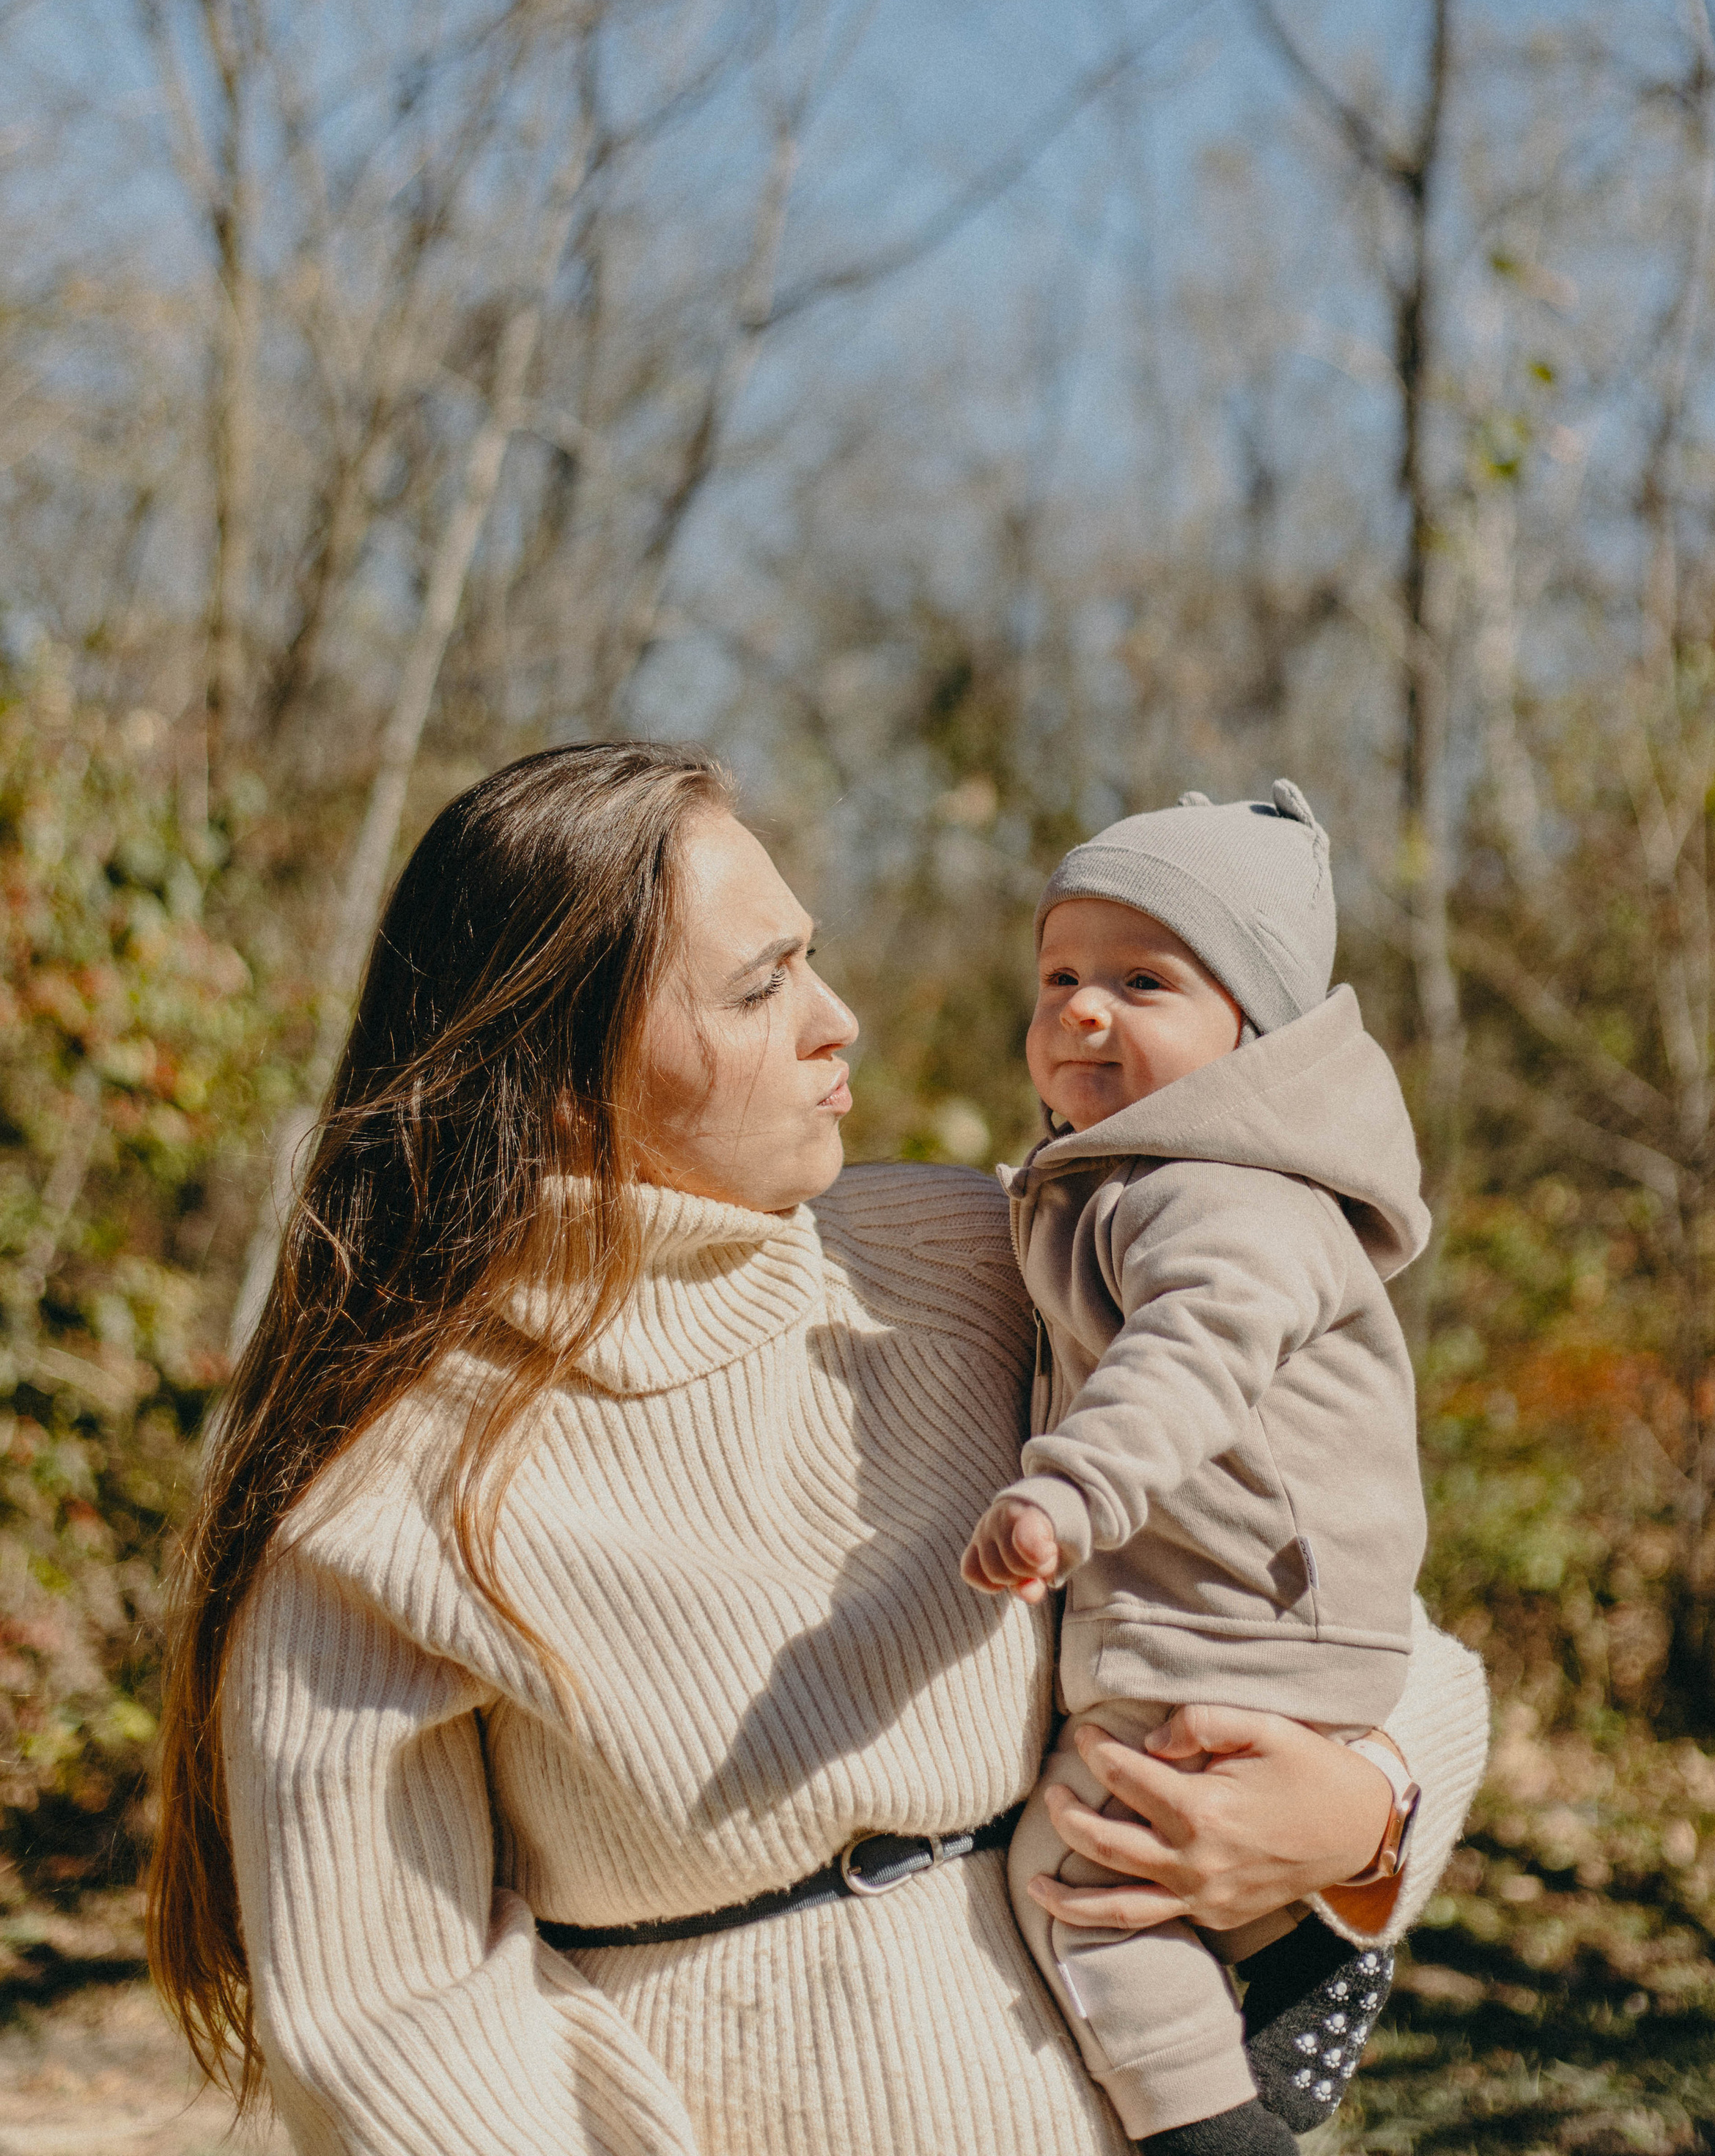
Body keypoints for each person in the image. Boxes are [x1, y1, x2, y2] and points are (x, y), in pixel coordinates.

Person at [148, 742, 1490, 2156]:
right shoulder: (394, 1499)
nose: (837, 1019)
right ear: (557, 1080)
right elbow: (392, 2030)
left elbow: (1344, 1611)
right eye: (759, 984)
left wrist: (1359, 1818)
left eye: (812, 957)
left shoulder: (993, 1258)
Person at [963, 785, 1434, 2154]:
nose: (1082, 1010)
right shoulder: (1130, 1183)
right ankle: (1296, 1953)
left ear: (1255, 1034)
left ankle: (1212, 2131)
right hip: (1244, 1605)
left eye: (1143, 979)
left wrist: (1066, 1493)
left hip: (1246, 1613)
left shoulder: (1226, 1199)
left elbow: (1184, 1364)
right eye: (1060, 975)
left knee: (1083, 1876)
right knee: (1151, 1855)